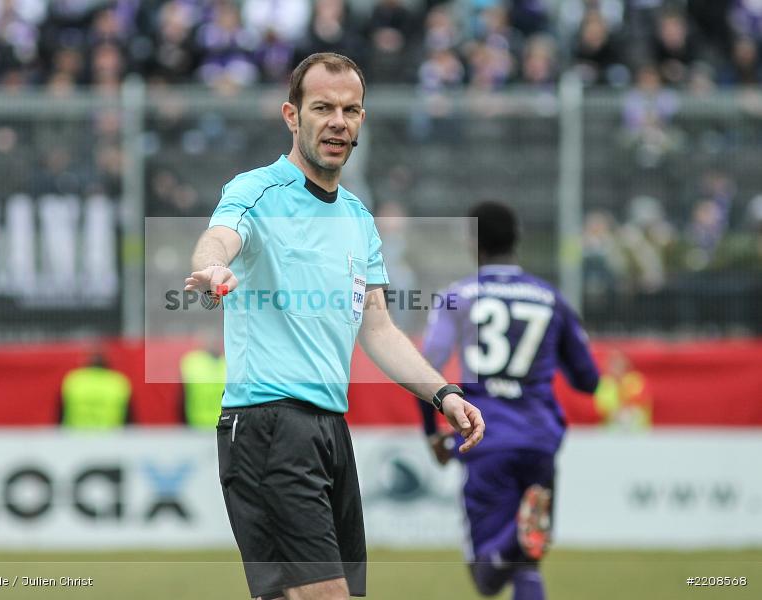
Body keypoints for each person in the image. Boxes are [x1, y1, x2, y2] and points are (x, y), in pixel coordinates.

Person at [183, 52, 485, 600]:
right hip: (269, 426)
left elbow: (380, 331)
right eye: (322, 107)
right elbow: (221, 235)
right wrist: (212, 266)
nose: (338, 121)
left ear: (362, 120)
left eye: (350, 109)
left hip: (328, 431)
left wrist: (444, 394)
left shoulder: (358, 219)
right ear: (292, 116)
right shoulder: (257, 190)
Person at [418, 200, 599, 600]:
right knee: (528, 564)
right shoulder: (550, 298)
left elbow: (426, 367)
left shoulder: (458, 296)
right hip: (539, 437)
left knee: (487, 576)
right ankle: (523, 543)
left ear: (473, 244)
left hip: (486, 438)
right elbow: (588, 379)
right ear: (517, 241)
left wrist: (434, 434)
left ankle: (514, 544)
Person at [59, 352, 132, 429]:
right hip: (111, 436)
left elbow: (61, 411)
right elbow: (129, 416)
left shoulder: (74, 379)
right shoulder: (118, 381)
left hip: (75, 435)